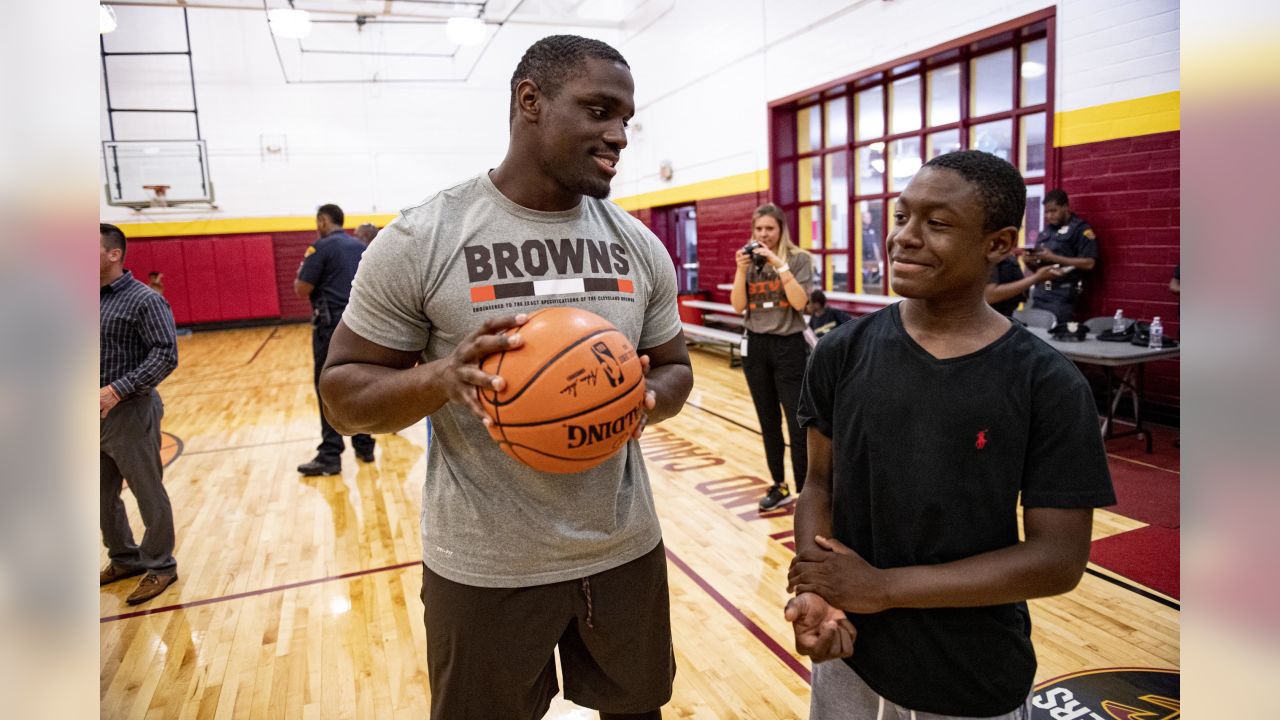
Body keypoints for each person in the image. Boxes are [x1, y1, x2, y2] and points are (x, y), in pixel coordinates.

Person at [317, 35, 693, 720]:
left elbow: (674, 370)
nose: (618, 136)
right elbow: (342, 396)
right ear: (530, 101)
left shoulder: (637, 244)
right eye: (599, 110)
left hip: (624, 548)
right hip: (485, 564)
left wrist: (643, 399)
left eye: (626, 120)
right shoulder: (424, 239)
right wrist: (442, 377)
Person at [787, 151, 1115, 719]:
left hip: (971, 675)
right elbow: (819, 487)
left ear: (999, 244)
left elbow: (1058, 559)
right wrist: (817, 591)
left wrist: (883, 588)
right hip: (850, 654)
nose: (904, 239)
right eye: (901, 217)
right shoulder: (841, 351)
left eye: (936, 224)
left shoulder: (1047, 382)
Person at [99, 223, 181, 605]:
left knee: (148, 491)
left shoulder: (143, 300)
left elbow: (166, 354)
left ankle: (160, 566)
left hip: (130, 411)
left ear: (114, 254)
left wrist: (117, 389)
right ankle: (124, 558)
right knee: (99, 495)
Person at [729, 203, 813, 511]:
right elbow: (738, 306)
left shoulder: (799, 259)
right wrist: (740, 270)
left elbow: (800, 302)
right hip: (757, 347)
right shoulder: (748, 262)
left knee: (797, 423)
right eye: (759, 229)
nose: (763, 235)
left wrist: (779, 264)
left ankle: (806, 492)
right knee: (768, 422)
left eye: (770, 229)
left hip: (788, 346)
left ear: (781, 230)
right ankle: (779, 484)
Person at [294, 203, 376, 475]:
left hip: (331, 328)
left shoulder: (320, 248)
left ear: (322, 221)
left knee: (328, 388)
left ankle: (330, 453)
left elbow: (301, 288)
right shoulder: (361, 247)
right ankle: (365, 445)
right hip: (362, 326)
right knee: (360, 385)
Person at [1024, 188, 1098, 322]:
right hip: (1040, 293)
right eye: (1046, 212)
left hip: (1062, 296)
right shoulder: (1045, 232)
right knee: (1035, 335)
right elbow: (1038, 266)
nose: (1049, 216)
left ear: (1065, 207)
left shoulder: (1081, 229)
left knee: (1054, 339)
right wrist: (1029, 261)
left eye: (1053, 211)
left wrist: (1054, 258)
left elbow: (1089, 263)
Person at [984, 249, 1065, 317]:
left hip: (1006, 315)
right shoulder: (988, 252)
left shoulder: (1002, 252)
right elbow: (990, 295)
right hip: (990, 318)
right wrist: (1035, 278)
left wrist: (1030, 264)